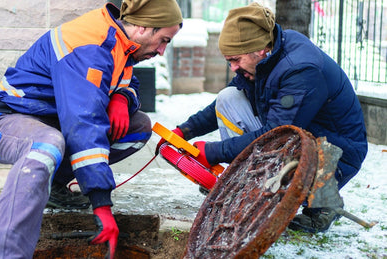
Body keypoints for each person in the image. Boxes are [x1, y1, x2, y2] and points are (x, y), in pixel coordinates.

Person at [0, 0, 183, 258]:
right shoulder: (89, 46)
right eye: (164, 40)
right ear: (143, 28)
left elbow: (128, 81)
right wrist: (101, 203)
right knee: (47, 145)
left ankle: (57, 187)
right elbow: (83, 122)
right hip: (5, 122)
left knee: (138, 127)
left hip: (54, 123)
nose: (162, 51)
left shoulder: (120, 44)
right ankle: (5, 254)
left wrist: (122, 97)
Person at [156, 2, 367, 233]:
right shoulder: (265, 57)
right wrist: (185, 130)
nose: (233, 67)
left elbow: (277, 134)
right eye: (229, 61)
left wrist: (214, 152)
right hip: (302, 135)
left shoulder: (300, 70)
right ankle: (248, 185)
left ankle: (324, 203)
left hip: (335, 155)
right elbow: (227, 102)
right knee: (228, 97)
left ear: (260, 50)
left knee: (281, 144)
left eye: (236, 60)